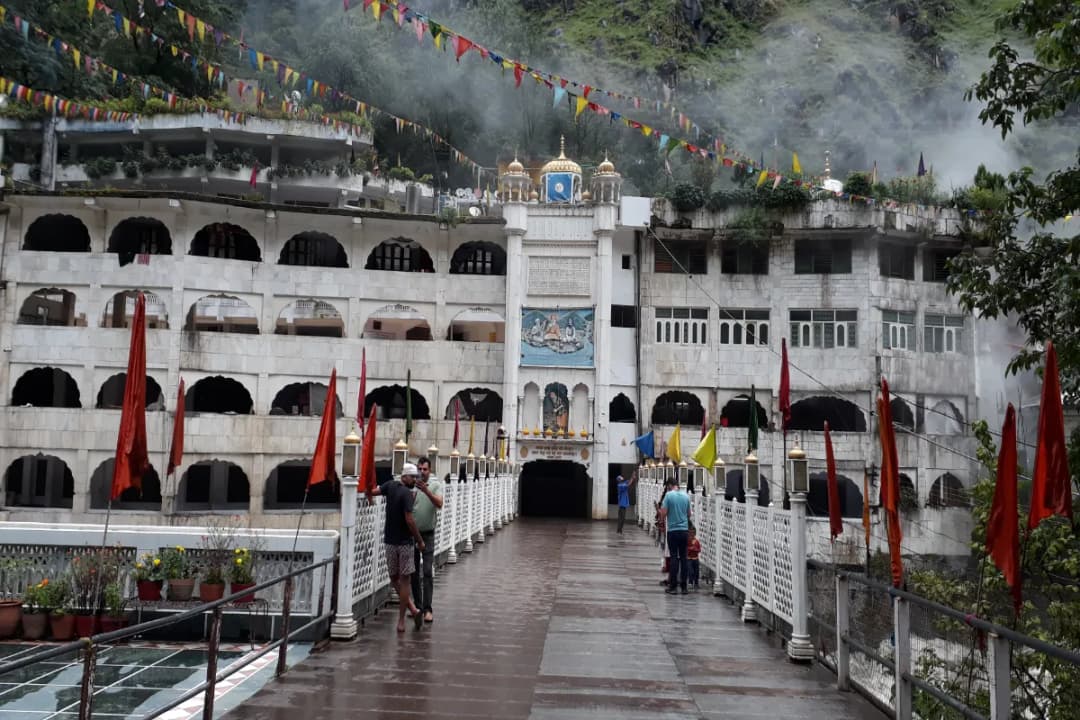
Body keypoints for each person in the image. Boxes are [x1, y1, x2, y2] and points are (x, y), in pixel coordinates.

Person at [366, 463, 425, 632]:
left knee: (394, 578)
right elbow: (410, 520)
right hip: (405, 543)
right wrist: (419, 540)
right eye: (413, 477)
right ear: (404, 476)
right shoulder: (407, 494)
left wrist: (368, 492)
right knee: (404, 581)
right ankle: (403, 620)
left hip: (390, 541)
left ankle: (412, 610)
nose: (415, 480)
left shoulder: (390, 486)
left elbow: (375, 491)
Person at [411, 457, 443, 624]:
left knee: (427, 572)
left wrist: (427, 491)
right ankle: (418, 608)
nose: (422, 472)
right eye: (420, 469)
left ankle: (428, 609)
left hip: (428, 534)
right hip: (413, 534)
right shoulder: (412, 486)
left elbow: (439, 503)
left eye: (425, 469)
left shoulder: (435, 485)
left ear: (429, 471)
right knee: (413, 572)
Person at [660, 477, 692, 595]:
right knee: (684, 558)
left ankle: (673, 587)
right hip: (684, 531)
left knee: (674, 557)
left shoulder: (668, 496)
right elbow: (689, 514)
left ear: (669, 485)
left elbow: (663, 513)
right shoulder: (686, 496)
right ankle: (684, 587)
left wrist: (662, 520)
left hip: (673, 530)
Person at [687, 524, 701, 590]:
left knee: (696, 571)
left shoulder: (697, 541)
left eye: (693, 533)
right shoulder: (687, 541)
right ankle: (690, 582)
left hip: (695, 559)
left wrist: (695, 549)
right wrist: (690, 549)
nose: (691, 535)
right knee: (690, 571)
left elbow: (699, 550)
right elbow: (686, 549)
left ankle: (696, 582)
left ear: (695, 533)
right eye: (690, 533)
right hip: (689, 558)